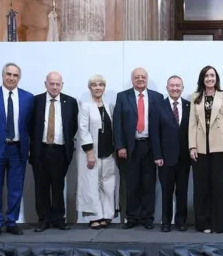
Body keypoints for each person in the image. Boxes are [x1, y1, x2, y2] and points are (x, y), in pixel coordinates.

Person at [0, 63, 34, 238]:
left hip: (18, 150)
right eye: (8, 74)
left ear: (19, 78)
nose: (11, 78)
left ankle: (12, 221)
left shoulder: (28, 98)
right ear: (3, 75)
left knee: (15, 189)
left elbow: (29, 124)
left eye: (15, 75)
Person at [114, 67, 162, 230]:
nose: (140, 79)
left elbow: (161, 126)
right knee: (132, 184)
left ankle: (148, 217)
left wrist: (159, 151)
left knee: (149, 184)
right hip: (130, 147)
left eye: (143, 77)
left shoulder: (157, 97)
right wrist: (120, 146)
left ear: (147, 79)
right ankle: (132, 217)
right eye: (137, 77)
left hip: (150, 146)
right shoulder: (122, 97)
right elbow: (117, 124)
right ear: (132, 79)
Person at [30, 72, 78, 232]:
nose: (55, 87)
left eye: (58, 84)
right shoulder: (35, 101)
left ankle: (58, 219)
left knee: (58, 186)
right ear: (46, 84)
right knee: (41, 186)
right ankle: (43, 219)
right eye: (52, 83)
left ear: (62, 85)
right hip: (41, 150)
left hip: (60, 151)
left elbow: (73, 127)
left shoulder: (70, 102)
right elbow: (29, 126)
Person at [188, 66, 223, 233]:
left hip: (220, 148)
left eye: (212, 75)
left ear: (216, 78)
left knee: (219, 187)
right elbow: (192, 123)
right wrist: (192, 146)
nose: (209, 78)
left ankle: (219, 225)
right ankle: (203, 224)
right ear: (202, 78)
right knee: (201, 188)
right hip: (200, 149)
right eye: (206, 76)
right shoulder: (195, 97)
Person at [151, 75, 191, 232]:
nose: (175, 88)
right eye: (172, 86)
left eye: (178, 86)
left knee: (182, 191)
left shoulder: (189, 106)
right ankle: (166, 221)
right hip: (165, 158)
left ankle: (181, 221)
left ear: (182, 88)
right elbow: (154, 133)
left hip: (184, 158)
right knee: (166, 192)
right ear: (167, 88)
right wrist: (157, 155)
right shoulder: (158, 106)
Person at [77, 75, 118, 229]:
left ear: (104, 87)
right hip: (92, 153)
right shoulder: (85, 106)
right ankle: (95, 217)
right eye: (94, 85)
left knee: (108, 184)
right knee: (92, 184)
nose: (98, 87)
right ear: (90, 88)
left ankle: (107, 215)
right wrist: (89, 153)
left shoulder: (109, 106)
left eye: (101, 85)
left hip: (108, 152)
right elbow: (83, 130)